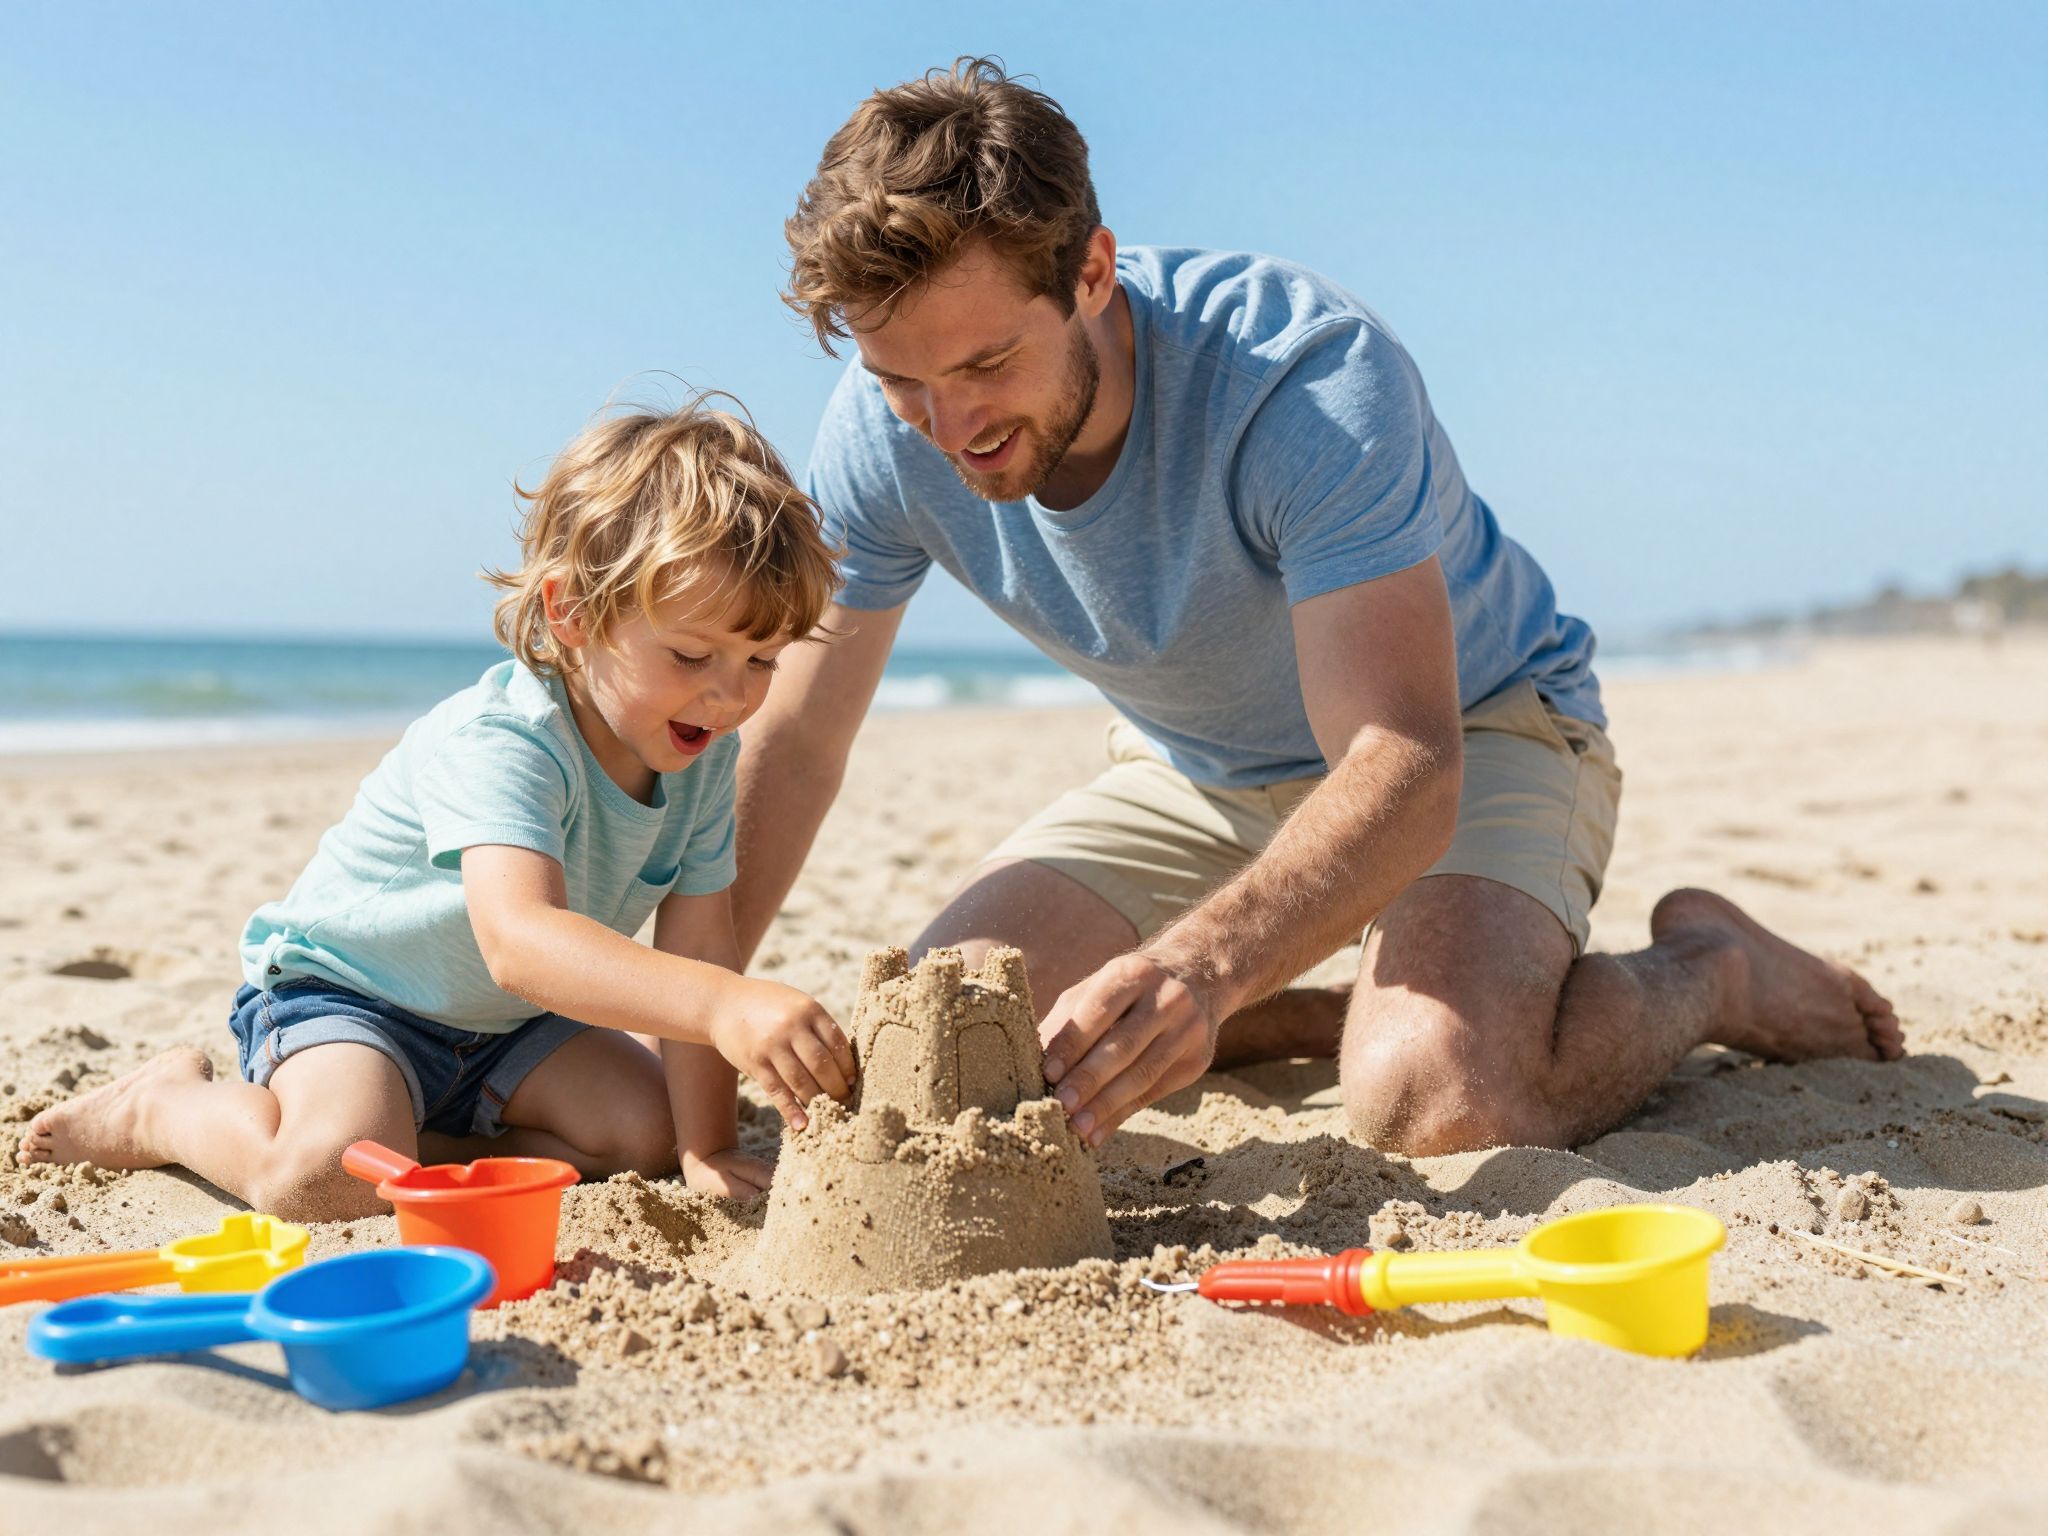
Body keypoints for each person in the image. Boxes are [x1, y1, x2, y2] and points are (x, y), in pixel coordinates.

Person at [730, 59, 1904, 1160]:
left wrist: (1202, 964)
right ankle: (1323, 1011)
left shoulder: (1303, 381)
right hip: (1195, 771)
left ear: (1089, 273)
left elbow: (1405, 760)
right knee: (930, 1056)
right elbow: (792, 743)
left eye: (986, 365)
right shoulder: (881, 433)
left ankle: (1708, 970)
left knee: (1436, 1098)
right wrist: (687, 1016)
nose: (948, 427)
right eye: (902, 385)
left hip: (1474, 729)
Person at [19, 397, 856, 1217]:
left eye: (761, 662)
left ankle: (408, 1144)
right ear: (571, 613)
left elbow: (703, 942)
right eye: (691, 653)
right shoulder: (506, 739)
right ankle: (166, 1108)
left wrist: (704, 1145)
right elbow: (520, 944)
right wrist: (719, 1007)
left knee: (643, 1136)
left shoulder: (703, 758)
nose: (728, 694)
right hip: (351, 996)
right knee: (323, 1177)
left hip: (508, 1031)